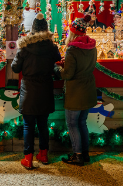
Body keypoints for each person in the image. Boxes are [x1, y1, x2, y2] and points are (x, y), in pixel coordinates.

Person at [11, 12, 62, 169]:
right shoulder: (52, 47)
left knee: (28, 125)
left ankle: (28, 158)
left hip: (29, 90)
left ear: (32, 30)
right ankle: (44, 155)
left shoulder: (25, 47)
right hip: (45, 89)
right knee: (43, 124)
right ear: (46, 29)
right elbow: (57, 64)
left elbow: (15, 67)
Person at [57, 14, 97, 166]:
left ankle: (77, 155)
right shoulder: (92, 47)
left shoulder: (72, 50)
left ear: (73, 33)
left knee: (72, 124)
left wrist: (58, 69)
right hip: (88, 90)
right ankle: (85, 154)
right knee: (82, 123)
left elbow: (68, 75)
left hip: (75, 93)